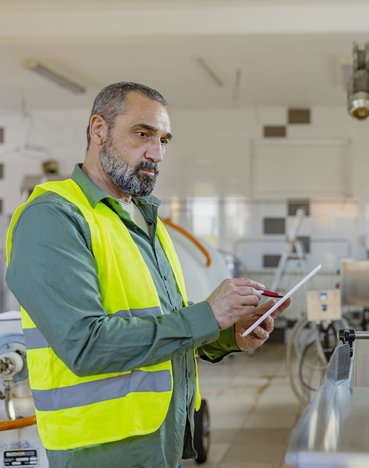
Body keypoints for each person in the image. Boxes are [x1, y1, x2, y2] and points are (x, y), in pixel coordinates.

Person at [5, 82, 290, 468]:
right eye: (143, 134)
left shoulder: (143, 219)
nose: (155, 153)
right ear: (98, 129)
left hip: (160, 441)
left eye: (164, 140)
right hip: (100, 450)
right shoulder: (54, 217)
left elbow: (160, 325)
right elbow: (86, 345)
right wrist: (207, 314)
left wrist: (227, 333)